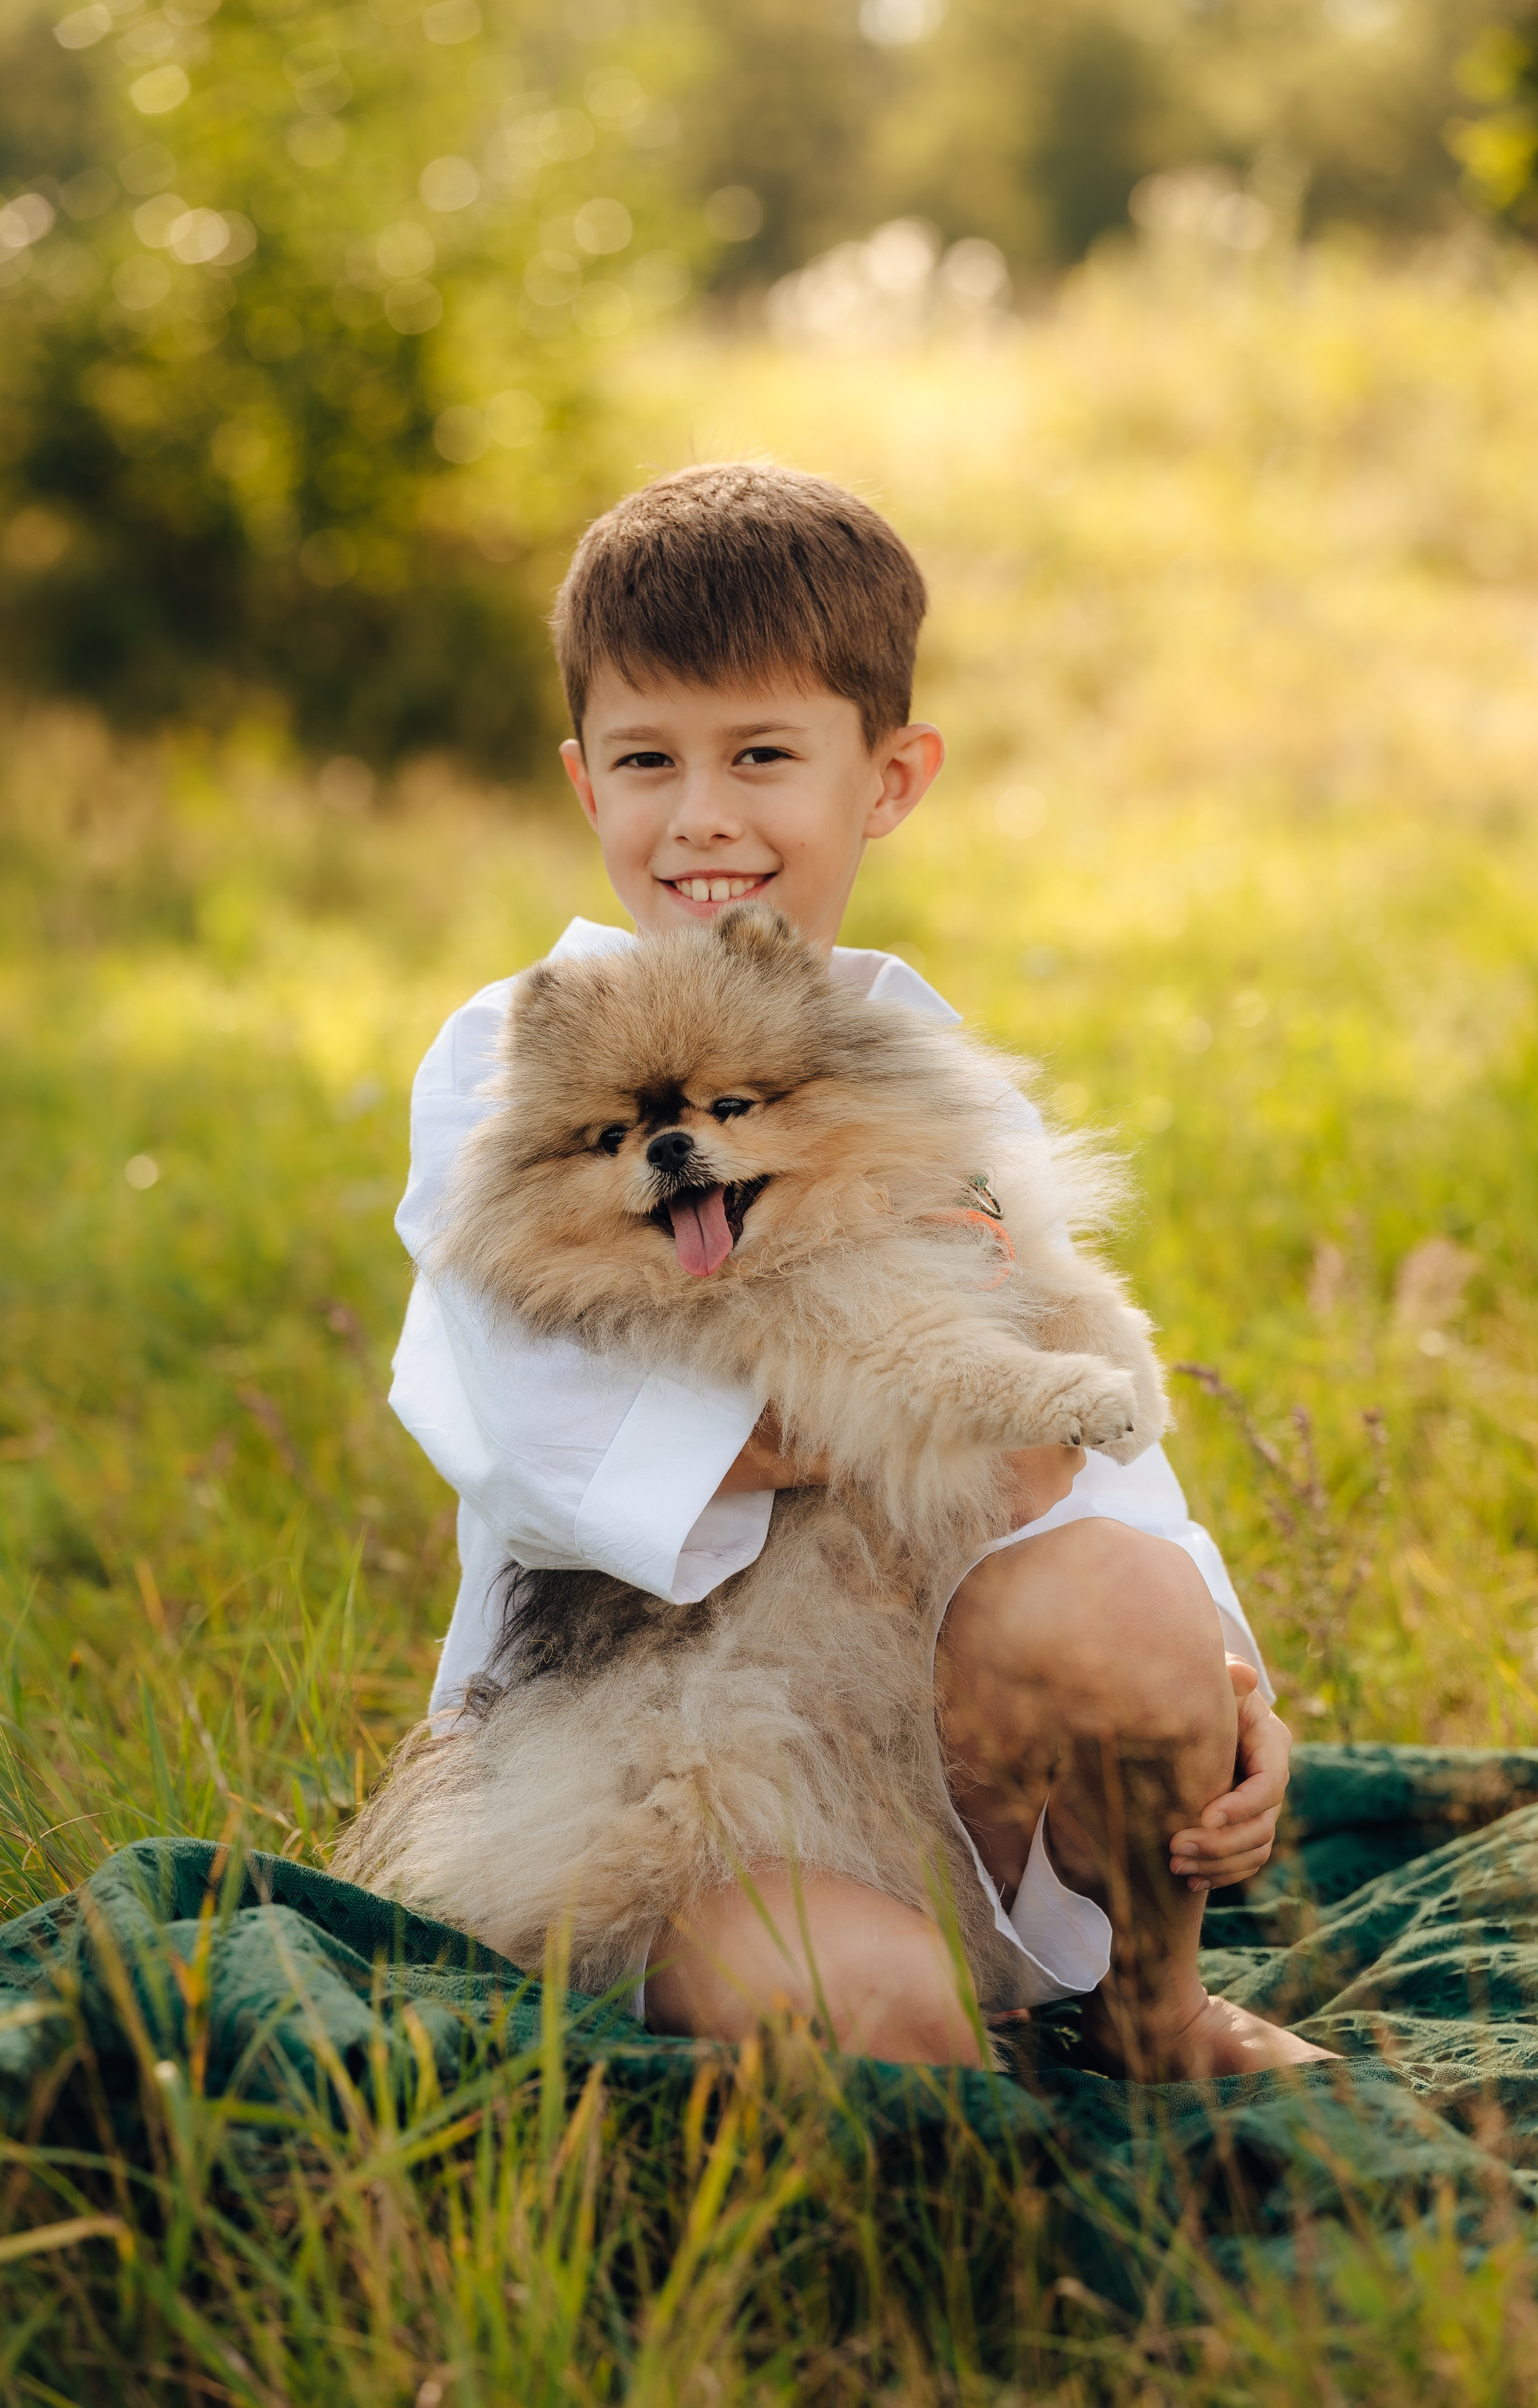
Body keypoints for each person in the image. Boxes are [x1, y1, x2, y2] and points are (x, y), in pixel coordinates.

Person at [391, 462, 1332, 2079]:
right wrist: (916, 1404)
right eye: (647, 760)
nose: (702, 814)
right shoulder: (512, 1057)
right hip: (673, 1756)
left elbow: (1106, 1445)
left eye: (762, 753)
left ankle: (1150, 2007)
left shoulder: (931, 1068)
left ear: (889, 777)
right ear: (583, 781)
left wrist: (1227, 1681)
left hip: (941, 1729)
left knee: (1116, 1586)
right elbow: (533, 1437)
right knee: (881, 2023)